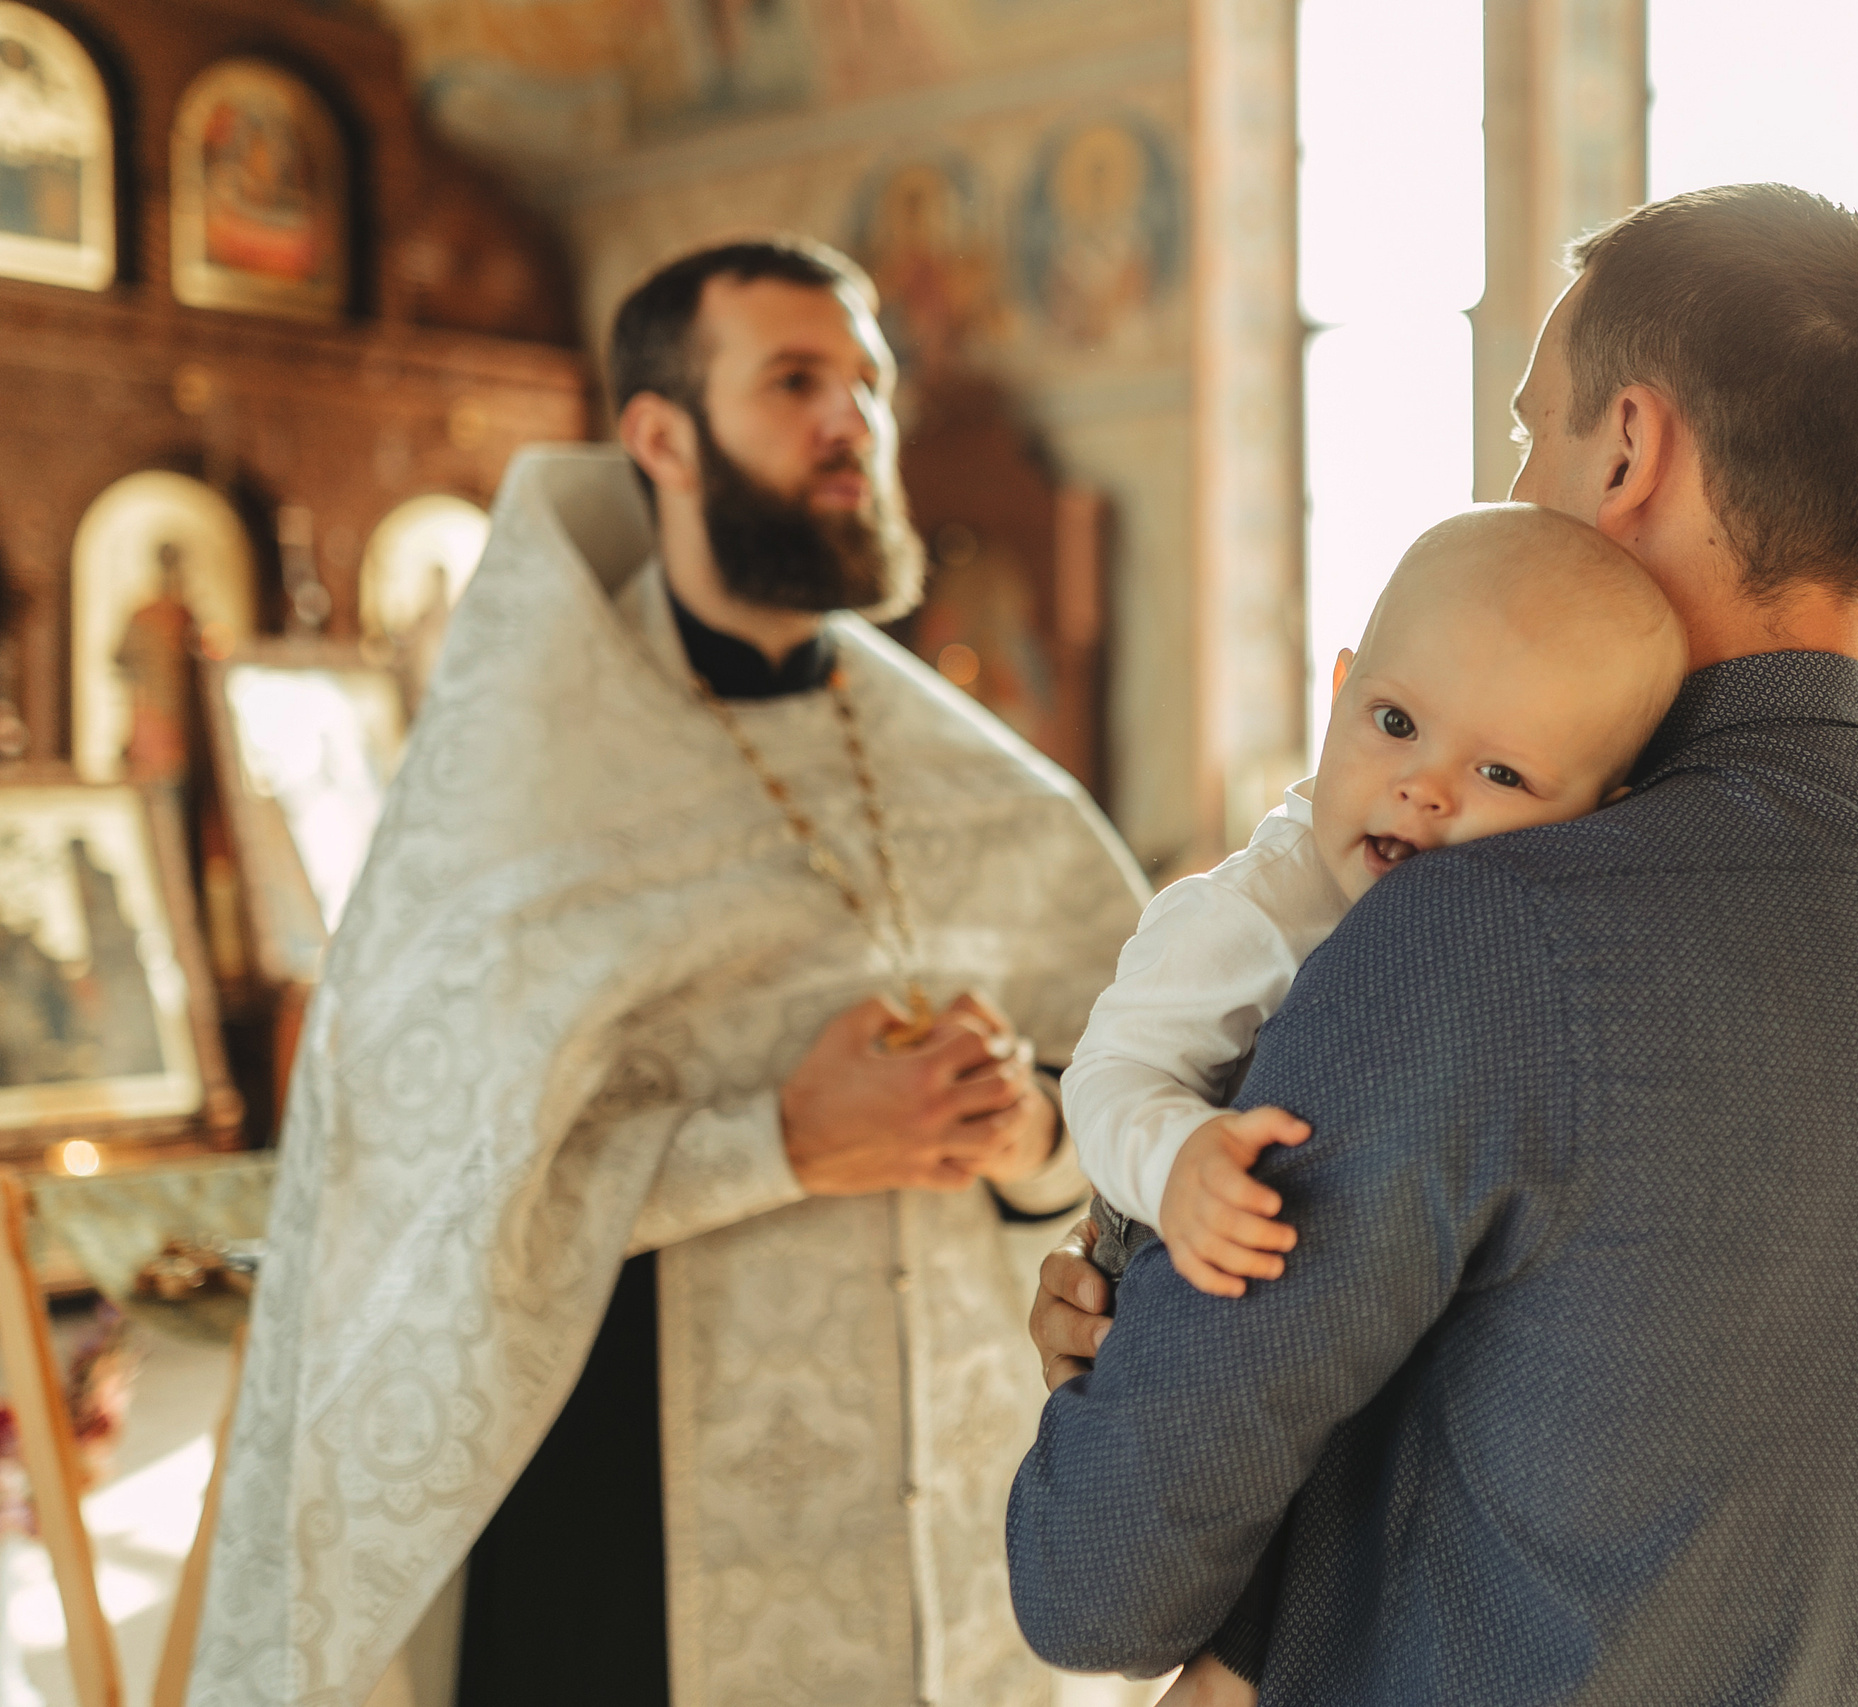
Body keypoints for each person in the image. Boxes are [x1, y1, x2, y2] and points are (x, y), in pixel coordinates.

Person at [1010, 183, 1858, 1706]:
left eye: (1532, 431)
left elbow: (1096, 1578)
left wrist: (1129, 1341)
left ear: (1632, 447)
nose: (1516, 472)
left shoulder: (1477, 929)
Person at [187, 239, 1148, 1707]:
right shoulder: (522, 782)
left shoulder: (984, 782)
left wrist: (1024, 1132)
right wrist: (781, 1142)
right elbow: (432, 1180)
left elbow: (1133, 1081)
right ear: (660, 435)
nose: (853, 422)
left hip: (953, 1534)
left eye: (870, 385)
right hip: (624, 1535)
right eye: (795, 382)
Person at [1066, 506, 1686, 1297]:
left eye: (1499, 774)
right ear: (1337, 693)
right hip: (1185, 1245)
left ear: (1597, 818)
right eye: (1395, 722)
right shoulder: (1250, 912)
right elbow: (1110, 1069)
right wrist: (1175, 1159)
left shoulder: (1525, 935)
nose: (1422, 788)